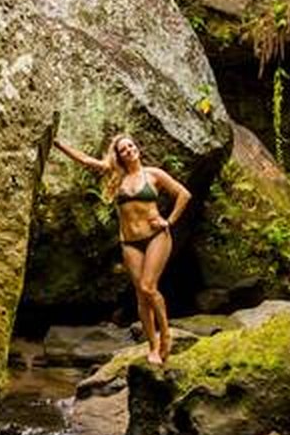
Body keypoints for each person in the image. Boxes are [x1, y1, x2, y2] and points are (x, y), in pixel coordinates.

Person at [51, 131, 190, 363]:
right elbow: (86, 161)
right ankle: (153, 347)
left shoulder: (153, 175)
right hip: (129, 243)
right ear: (120, 156)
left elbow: (183, 194)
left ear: (137, 148)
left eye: (131, 146)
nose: (128, 150)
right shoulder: (116, 176)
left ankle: (165, 333)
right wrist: (57, 142)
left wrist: (170, 221)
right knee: (141, 296)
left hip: (157, 236)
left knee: (148, 287)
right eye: (123, 149)